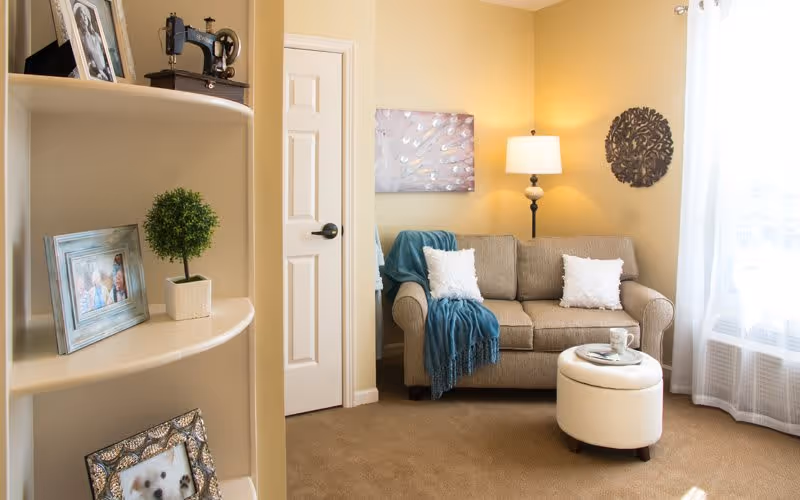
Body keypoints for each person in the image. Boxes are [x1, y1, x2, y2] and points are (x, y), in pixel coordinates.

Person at [74, 3, 113, 81]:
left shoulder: (96, 35)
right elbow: (88, 61)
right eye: (81, 17)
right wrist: (98, 72)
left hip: (106, 71)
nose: (83, 19)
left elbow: (105, 53)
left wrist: (108, 68)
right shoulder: (81, 39)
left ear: (88, 18)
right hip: (95, 74)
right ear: (79, 22)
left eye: (84, 15)